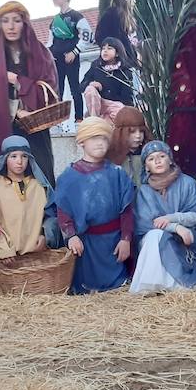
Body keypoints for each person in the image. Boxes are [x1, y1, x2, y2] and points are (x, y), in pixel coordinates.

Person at [0, 1, 58, 179]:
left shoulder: (40, 52)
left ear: (24, 23)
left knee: (39, 177)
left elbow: (49, 91)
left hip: (34, 129)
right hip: (0, 128)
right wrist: (16, 110)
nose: (11, 26)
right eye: (5, 21)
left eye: (16, 21)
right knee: (3, 179)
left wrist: (18, 81)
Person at [54, 117, 135, 294]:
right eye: (94, 138)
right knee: (87, 289)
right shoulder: (68, 178)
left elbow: (127, 211)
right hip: (88, 247)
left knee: (118, 287)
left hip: (114, 244)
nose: (100, 143)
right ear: (82, 141)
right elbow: (63, 211)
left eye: (104, 138)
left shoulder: (117, 174)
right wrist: (71, 236)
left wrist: (126, 239)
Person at [130, 141, 196, 294]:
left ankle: (178, 284)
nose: (157, 161)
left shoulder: (188, 183)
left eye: (162, 156)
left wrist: (173, 218)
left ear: (170, 159)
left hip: (185, 238)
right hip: (155, 238)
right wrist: (175, 227)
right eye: (151, 159)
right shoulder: (144, 191)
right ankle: (152, 285)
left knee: (160, 235)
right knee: (155, 236)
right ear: (146, 166)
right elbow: (145, 224)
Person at [0, 134, 56, 261]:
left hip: (38, 257)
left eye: (24, 156)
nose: (19, 161)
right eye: (13, 156)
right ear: (4, 159)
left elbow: (51, 216)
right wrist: (4, 249)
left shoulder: (39, 187)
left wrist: (45, 237)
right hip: (9, 259)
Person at [49, 0, 93, 122]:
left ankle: (79, 119)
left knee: (75, 88)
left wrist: (74, 52)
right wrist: (48, 55)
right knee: (57, 90)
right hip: (56, 59)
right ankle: (58, 120)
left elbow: (87, 36)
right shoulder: (54, 20)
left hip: (71, 58)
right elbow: (50, 41)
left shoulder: (76, 16)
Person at [83, 37, 137, 119]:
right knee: (90, 89)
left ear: (117, 53)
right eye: (103, 48)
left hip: (115, 105)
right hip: (98, 105)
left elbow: (127, 98)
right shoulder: (96, 66)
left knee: (119, 110)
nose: (105, 51)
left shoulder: (124, 71)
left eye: (109, 48)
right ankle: (94, 119)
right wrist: (91, 84)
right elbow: (82, 86)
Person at [94, 0, 137, 68]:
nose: (134, 1)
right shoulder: (111, 16)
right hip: (118, 63)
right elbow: (100, 37)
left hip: (131, 61)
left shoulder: (130, 18)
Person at [106, 105, 149, 186]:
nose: (138, 135)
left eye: (141, 131)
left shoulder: (150, 156)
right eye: (132, 131)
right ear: (121, 133)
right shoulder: (111, 158)